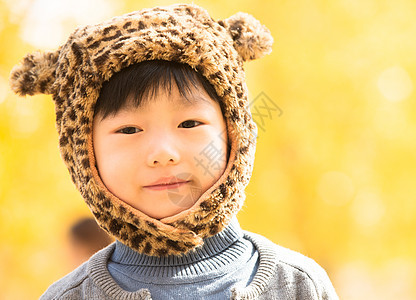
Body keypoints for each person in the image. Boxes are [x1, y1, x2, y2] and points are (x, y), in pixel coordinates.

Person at [10, 3, 338, 299]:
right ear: (82, 153)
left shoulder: (299, 285)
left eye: (190, 123)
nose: (163, 153)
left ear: (235, 133)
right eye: (128, 130)